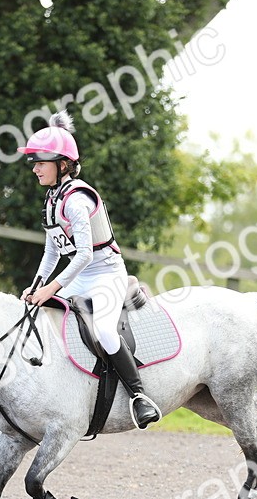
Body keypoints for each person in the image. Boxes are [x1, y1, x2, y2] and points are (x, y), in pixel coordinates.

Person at [17, 111, 161, 429]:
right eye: (34, 162)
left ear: (63, 164)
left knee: (105, 331)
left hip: (106, 275)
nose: (35, 167)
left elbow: (82, 255)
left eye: (41, 161)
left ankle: (139, 396)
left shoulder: (75, 201)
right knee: (36, 314)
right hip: (80, 277)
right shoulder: (51, 200)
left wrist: (50, 289)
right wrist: (36, 285)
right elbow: (52, 251)